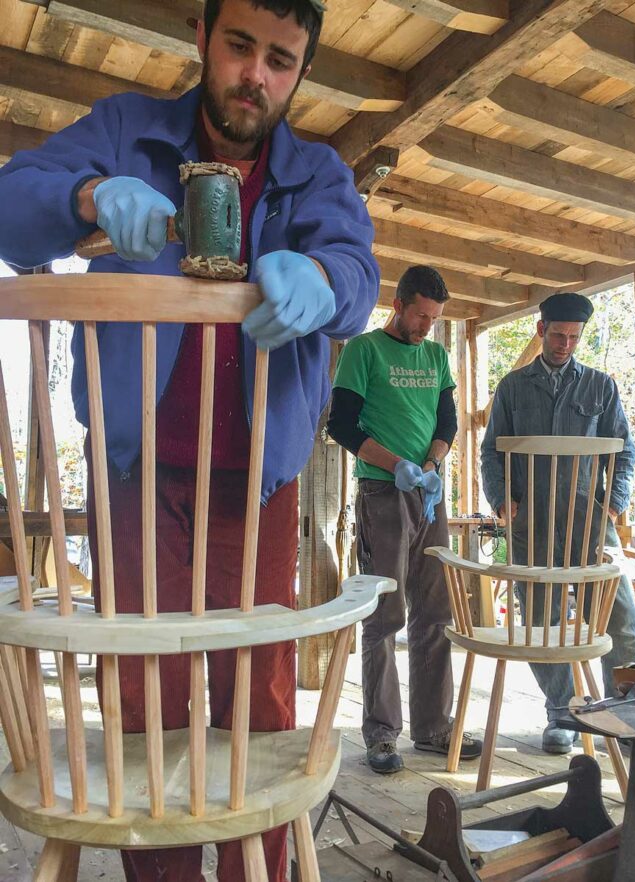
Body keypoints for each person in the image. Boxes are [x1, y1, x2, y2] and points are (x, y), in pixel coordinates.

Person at [0, 1, 379, 879]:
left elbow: (361, 271)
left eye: (281, 60)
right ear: (202, 40)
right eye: (241, 46)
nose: (257, 75)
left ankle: (263, 875)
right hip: (136, 471)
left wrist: (324, 275)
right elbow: (10, 206)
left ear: (300, 72)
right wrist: (87, 194)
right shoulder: (128, 131)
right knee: (145, 697)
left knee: (264, 699)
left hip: (263, 479)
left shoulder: (316, 172)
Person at [327, 265, 483, 774]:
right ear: (399, 305)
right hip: (382, 491)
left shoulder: (436, 356)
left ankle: (435, 729)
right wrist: (397, 466)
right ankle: (381, 735)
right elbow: (342, 424)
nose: (426, 327)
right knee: (385, 613)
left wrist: (433, 465)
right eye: (420, 315)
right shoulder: (363, 351)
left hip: (429, 495)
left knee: (436, 611)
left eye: (434, 319)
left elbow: (447, 422)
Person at [481, 291, 635, 755]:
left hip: (590, 518)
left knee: (620, 613)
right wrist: (502, 501)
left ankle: (626, 713)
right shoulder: (512, 387)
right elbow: (490, 450)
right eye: (558, 335)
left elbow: (625, 451)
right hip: (529, 518)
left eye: (573, 338)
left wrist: (612, 504)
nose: (565, 345)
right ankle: (563, 711)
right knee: (540, 617)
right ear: (541, 330)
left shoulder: (600, 387)